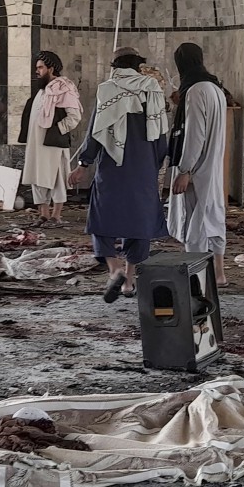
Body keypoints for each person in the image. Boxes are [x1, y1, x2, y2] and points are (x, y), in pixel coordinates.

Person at [69, 46, 169, 302]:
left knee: (102, 217)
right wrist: (155, 164)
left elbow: (95, 131)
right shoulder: (152, 89)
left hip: (113, 165)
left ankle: (114, 270)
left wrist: (83, 163)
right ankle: (129, 280)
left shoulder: (108, 89)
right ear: (138, 65)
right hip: (143, 165)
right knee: (140, 221)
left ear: (115, 66)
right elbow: (160, 133)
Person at [167, 42, 228, 286]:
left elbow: (194, 135)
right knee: (213, 217)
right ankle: (220, 274)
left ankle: (197, 278)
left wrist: (185, 171)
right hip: (212, 166)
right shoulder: (215, 88)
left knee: (196, 224)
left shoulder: (195, 91)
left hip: (197, 169)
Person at [22, 51, 83, 228]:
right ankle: (43, 214)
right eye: (37, 68)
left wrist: (57, 131)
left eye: (41, 67)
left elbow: (74, 116)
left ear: (51, 68)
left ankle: (56, 215)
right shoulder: (42, 91)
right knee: (36, 175)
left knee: (57, 177)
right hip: (36, 142)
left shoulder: (64, 87)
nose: (38, 71)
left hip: (53, 143)